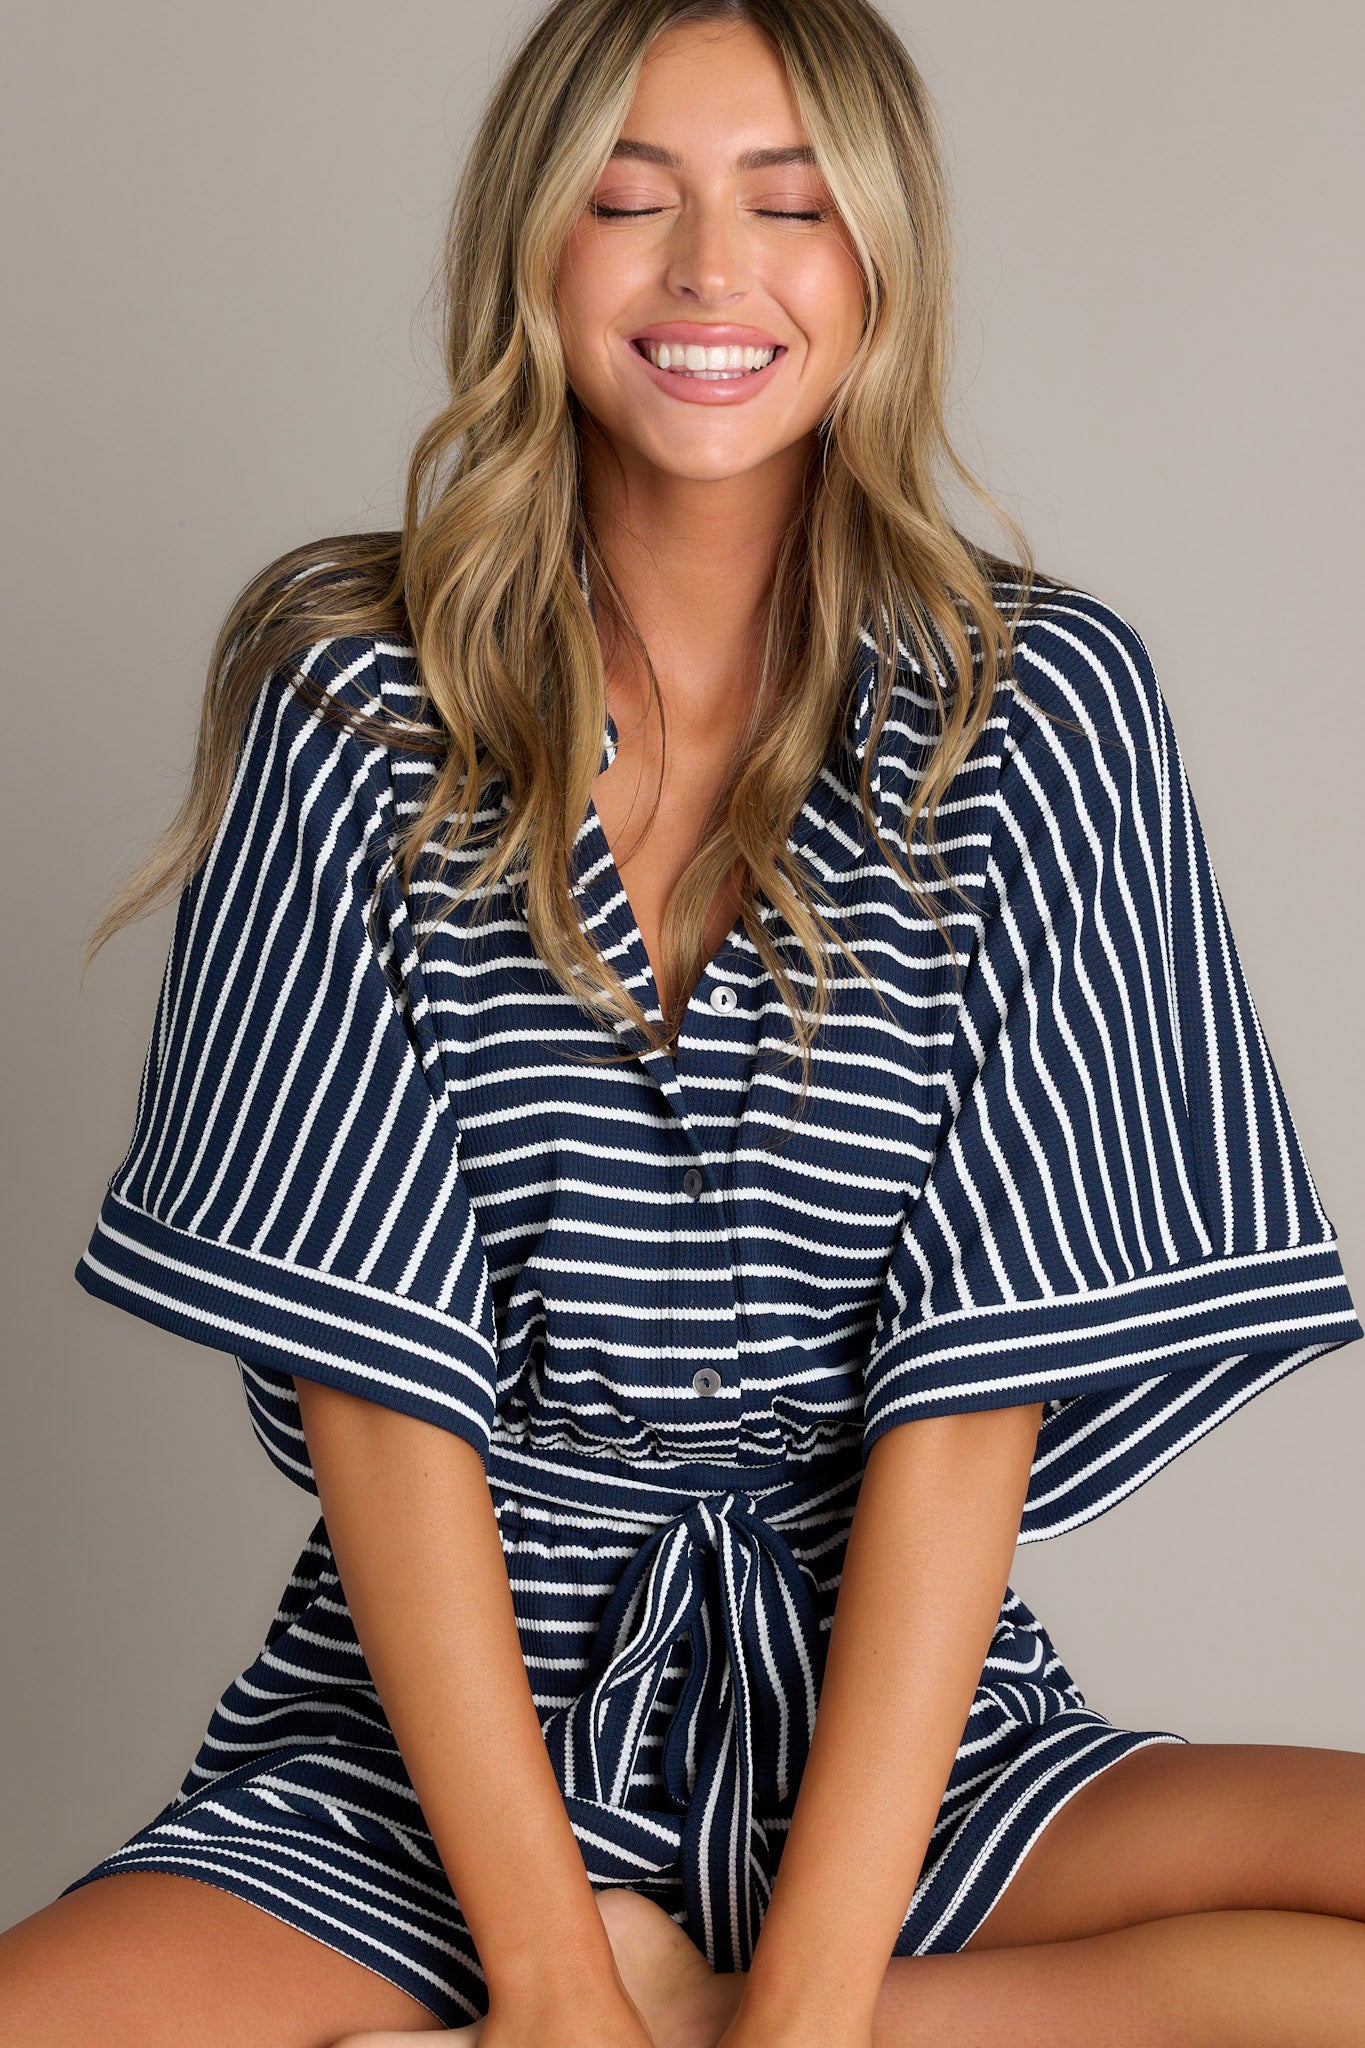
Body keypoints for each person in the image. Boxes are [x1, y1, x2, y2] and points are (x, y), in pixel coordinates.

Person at [4, 3, 1362, 2043]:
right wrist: (548, 1985)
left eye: (789, 204)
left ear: (879, 261)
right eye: (627, 200)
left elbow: (960, 1407)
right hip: (426, 1752)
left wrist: (801, 2008)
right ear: (529, 251)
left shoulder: (1037, 710)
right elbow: (380, 1400)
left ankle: (759, 2009)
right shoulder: (347, 696)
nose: (709, 272)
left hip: (902, 1748)